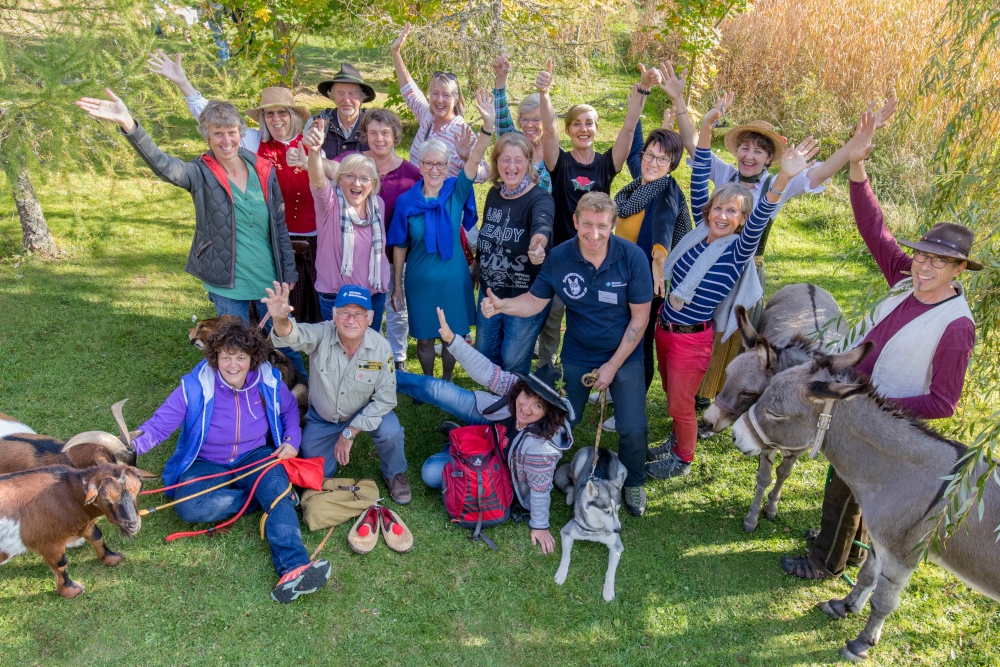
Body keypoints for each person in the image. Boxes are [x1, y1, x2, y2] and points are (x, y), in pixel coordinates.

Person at [781, 107, 978, 580]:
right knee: (845, 481)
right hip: (857, 406)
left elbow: (944, 402)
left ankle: (824, 561)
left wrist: (874, 406)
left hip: (888, 421)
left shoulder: (956, 326)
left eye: (938, 263)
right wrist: (857, 164)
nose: (924, 267)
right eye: (921, 257)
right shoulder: (903, 279)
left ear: (957, 270)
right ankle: (841, 551)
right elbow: (874, 227)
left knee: (851, 486)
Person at [659, 61, 898, 404]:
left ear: (770, 157)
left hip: (747, 267)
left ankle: (716, 392)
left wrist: (857, 142)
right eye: (745, 147)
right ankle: (690, 384)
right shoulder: (724, 172)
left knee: (733, 332)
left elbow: (826, 169)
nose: (749, 154)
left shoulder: (778, 184)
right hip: (706, 261)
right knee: (699, 319)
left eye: (758, 150)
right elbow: (695, 144)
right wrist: (681, 104)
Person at [644, 93, 820, 481]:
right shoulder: (698, 234)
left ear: (742, 221)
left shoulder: (737, 249)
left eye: (733, 212)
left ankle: (683, 458)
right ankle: (675, 440)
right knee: (674, 397)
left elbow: (762, 213)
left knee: (682, 403)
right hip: (666, 328)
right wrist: (705, 128)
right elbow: (697, 174)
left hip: (692, 338)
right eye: (718, 208)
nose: (723, 215)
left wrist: (786, 177)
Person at [74, 90, 302, 367]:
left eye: (231, 132)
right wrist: (128, 124)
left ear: (240, 133)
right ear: (207, 136)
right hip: (227, 278)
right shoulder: (199, 172)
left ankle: (300, 394)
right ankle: (243, 398)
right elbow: (163, 165)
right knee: (235, 346)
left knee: (283, 341)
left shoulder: (263, 169)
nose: (226, 140)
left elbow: (279, 224)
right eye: (218, 133)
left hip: (268, 274)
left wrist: (287, 271)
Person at [128, 318, 330, 603]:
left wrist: (290, 441)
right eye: (225, 357)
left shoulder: (268, 378)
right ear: (215, 358)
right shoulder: (195, 385)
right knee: (188, 507)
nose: (232, 365)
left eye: (240, 358)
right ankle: (264, 499)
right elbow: (159, 426)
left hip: (257, 455)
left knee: (278, 494)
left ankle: (294, 567)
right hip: (208, 461)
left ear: (252, 359)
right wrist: (129, 448)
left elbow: (288, 411)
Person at [480, 192, 654, 516]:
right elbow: (535, 301)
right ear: (575, 221)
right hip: (577, 350)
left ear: (613, 225)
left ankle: (633, 482)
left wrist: (613, 366)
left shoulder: (632, 257)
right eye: (586, 224)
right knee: (559, 417)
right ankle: (539, 469)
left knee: (633, 427)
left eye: (602, 226)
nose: (594, 233)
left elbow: (641, 318)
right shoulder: (560, 257)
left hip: (625, 354)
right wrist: (504, 305)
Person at [147, 51, 323, 331]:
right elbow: (215, 121)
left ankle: (297, 350)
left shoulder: (311, 143)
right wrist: (183, 83)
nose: (276, 119)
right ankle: (253, 353)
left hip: (308, 233)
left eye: (282, 113)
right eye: (269, 114)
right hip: (266, 239)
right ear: (262, 119)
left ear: (293, 115)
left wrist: (310, 158)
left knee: (300, 304)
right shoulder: (252, 141)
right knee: (253, 315)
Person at [396, 308, 573, 554]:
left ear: (548, 413)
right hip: (491, 421)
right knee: (437, 389)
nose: (526, 407)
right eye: (527, 396)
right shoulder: (516, 390)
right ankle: (385, 378)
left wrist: (540, 525)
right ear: (522, 388)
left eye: (538, 405)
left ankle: (461, 444)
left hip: (497, 467)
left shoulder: (540, 450)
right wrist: (452, 341)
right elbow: (488, 372)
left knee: (430, 473)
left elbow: (540, 490)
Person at [533, 61, 659, 370]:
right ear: (569, 130)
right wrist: (544, 92)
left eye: (589, 123)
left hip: (600, 260)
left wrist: (642, 91)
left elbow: (629, 128)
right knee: (551, 322)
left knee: (596, 320)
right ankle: (546, 375)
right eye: (576, 124)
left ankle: (593, 372)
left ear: (597, 129)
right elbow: (548, 129)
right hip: (562, 256)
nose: (583, 129)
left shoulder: (607, 164)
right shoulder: (559, 162)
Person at [266, 283, 412, 504]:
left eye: (358, 314)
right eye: (344, 312)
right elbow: (291, 335)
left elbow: (385, 399)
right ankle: (327, 458)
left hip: (364, 410)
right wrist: (279, 318)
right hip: (324, 417)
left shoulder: (382, 348)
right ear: (334, 314)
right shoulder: (321, 333)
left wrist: (350, 432)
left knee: (390, 431)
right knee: (318, 473)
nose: (351, 320)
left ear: (370, 318)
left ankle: (394, 473)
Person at [387, 89, 496, 383]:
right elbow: (399, 245)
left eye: (440, 164)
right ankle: (427, 379)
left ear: (448, 167)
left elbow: (474, 160)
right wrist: (397, 285)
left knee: (453, 338)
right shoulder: (407, 202)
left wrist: (487, 127)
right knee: (424, 340)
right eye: (428, 164)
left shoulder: (455, 191)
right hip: (420, 280)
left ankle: (446, 380)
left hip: (453, 277)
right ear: (419, 166)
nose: (434, 169)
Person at [601, 122, 691, 433]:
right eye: (649, 155)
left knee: (639, 344)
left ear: (673, 165)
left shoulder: (665, 191)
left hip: (652, 283)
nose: (653, 163)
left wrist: (658, 259)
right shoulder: (636, 188)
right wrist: (637, 103)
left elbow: (663, 228)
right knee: (621, 336)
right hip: (625, 276)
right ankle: (617, 389)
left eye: (662, 159)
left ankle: (631, 406)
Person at [475, 133, 555, 373]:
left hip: (525, 296)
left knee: (513, 362)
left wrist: (538, 245)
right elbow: (488, 234)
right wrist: (477, 267)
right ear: (496, 162)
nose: (511, 167)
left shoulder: (540, 198)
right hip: (490, 291)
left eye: (518, 160)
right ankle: (491, 405)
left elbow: (542, 226)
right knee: (485, 355)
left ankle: (514, 408)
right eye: (505, 159)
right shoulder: (493, 194)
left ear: (528, 162)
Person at [302, 119, 390, 330]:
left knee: (368, 350)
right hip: (336, 295)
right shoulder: (329, 203)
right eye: (350, 176)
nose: (357, 183)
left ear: (373, 183)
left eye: (364, 178)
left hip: (372, 295)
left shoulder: (377, 204)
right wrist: (314, 153)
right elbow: (316, 178)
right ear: (339, 179)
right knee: (336, 352)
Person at [390, 22, 489, 182]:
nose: (439, 100)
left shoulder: (461, 130)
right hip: (417, 198)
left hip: (442, 204)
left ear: (456, 99)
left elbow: (485, 174)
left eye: (446, 95)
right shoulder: (427, 115)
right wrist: (396, 52)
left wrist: (467, 158)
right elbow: (408, 88)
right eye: (435, 93)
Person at [491, 54, 552, 192]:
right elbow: (501, 115)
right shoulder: (514, 143)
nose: (529, 125)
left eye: (536, 119)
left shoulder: (556, 154)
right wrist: (501, 77)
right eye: (524, 119)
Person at [311, 63, 376, 159]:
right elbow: (307, 164)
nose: (346, 100)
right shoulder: (316, 124)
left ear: (362, 97)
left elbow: (388, 166)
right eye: (340, 93)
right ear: (333, 96)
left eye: (352, 93)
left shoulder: (375, 125)